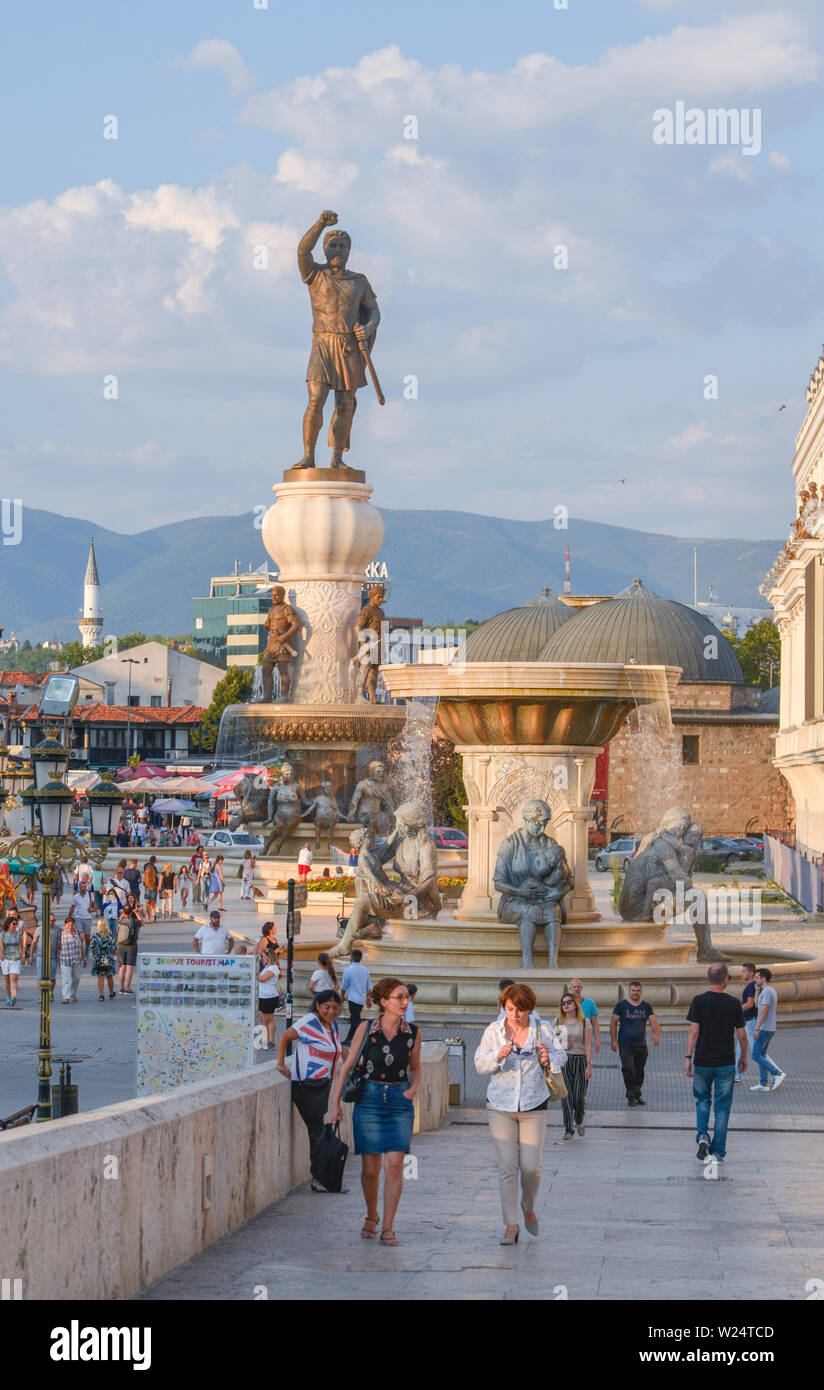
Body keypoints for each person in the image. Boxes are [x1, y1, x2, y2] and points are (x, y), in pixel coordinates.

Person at [474, 982, 567, 1244]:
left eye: (521, 1010)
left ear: (530, 1009)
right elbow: (480, 1064)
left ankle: (528, 1206)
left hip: (533, 1105)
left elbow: (563, 1057)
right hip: (500, 1105)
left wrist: (549, 1059)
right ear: (503, 1007)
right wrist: (498, 1057)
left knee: (530, 1167)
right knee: (506, 1166)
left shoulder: (543, 1029)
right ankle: (510, 1224)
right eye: (510, 1009)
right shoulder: (494, 1031)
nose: (515, 1015)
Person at [330, 978, 421, 1243]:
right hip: (369, 1099)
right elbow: (346, 1067)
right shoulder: (367, 1028)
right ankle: (372, 1215)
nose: (405, 1002)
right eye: (399, 997)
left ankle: (388, 1227)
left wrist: (413, 1088)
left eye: (407, 997)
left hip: (398, 1102)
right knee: (371, 1169)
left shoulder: (413, 1033)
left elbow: (415, 1066)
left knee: (395, 1165)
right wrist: (334, 1105)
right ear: (384, 1002)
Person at [279, 989, 345, 1191]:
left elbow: (336, 1052)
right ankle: (319, 1178)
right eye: (327, 1007)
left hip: (322, 1086)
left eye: (335, 1007)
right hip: (306, 1086)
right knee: (316, 1130)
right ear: (318, 1006)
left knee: (317, 1130)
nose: (331, 1011)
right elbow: (285, 1037)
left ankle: (321, 1177)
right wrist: (281, 1064)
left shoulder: (331, 1026)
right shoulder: (310, 1021)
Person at [686, 963, 748, 1162]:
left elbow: (694, 1032)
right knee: (722, 1107)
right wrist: (744, 1056)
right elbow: (742, 1035)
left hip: (702, 1061)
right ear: (725, 979)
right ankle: (718, 1151)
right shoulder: (733, 1003)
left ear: (708, 978)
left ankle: (703, 1136)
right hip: (725, 1062)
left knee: (702, 1101)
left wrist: (688, 1057)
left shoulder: (698, 1001)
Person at [610, 981, 659, 1106]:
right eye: (633, 990)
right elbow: (613, 1023)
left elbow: (653, 1020)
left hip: (641, 1044)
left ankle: (637, 1093)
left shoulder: (646, 1006)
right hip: (625, 1044)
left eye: (637, 991)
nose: (635, 993)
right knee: (628, 1069)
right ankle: (631, 1095)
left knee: (639, 1071)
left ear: (641, 991)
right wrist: (614, 1041)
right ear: (629, 991)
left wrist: (656, 1034)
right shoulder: (621, 1005)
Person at [557, 992, 593, 1138]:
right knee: (566, 1096)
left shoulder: (584, 1022)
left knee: (578, 1096)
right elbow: (551, 1043)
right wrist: (562, 1044)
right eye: (563, 1003)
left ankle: (579, 1120)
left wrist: (589, 1065)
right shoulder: (558, 1022)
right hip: (564, 1060)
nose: (565, 1005)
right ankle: (568, 1129)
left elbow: (588, 1045)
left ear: (575, 1005)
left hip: (580, 1060)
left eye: (568, 1002)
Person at [750, 967, 786, 1092]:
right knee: (762, 1055)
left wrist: (757, 1028)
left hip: (764, 1028)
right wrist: (756, 991)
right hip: (768, 1028)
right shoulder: (765, 991)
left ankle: (777, 1073)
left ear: (763, 978)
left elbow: (764, 1011)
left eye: (757, 978)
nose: (755, 980)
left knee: (755, 1055)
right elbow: (757, 1005)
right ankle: (763, 1084)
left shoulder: (767, 992)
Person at [341, 948, 372, 1042]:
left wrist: (342, 996)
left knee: (356, 1021)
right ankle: (349, 1039)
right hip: (361, 1000)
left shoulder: (348, 970)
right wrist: (368, 999)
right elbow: (369, 988)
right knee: (353, 1019)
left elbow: (343, 987)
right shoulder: (366, 970)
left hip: (352, 999)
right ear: (361, 958)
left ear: (351, 958)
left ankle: (366, 1038)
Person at [117, 894, 143, 994]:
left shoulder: (119, 920)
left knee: (122, 966)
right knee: (129, 967)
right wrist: (136, 913)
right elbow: (142, 922)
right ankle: (128, 987)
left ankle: (121, 987)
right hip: (132, 945)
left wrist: (123, 914)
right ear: (131, 911)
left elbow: (118, 920)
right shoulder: (134, 921)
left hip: (120, 944)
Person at [567, 976, 600, 1053]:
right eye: (574, 987)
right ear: (570, 988)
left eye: (578, 986)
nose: (576, 989)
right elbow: (561, 1021)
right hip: (570, 1039)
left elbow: (595, 1023)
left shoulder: (590, 1003)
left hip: (585, 1039)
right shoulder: (565, 1003)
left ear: (582, 988)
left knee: (585, 1061)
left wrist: (597, 1040)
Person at [89, 918, 120, 1001]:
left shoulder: (95, 936)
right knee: (109, 977)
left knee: (100, 977)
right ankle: (111, 993)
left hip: (99, 959)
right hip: (109, 959)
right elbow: (115, 949)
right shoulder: (111, 936)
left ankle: (101, 995)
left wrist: (95, 956)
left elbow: (92, 948)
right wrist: (120, 958)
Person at [57, 916, 86, 1004]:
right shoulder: (61, 934)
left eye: (71, 925)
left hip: (76, 960)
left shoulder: (78, 933)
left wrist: (84, 958)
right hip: (65, 960)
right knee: (67, 979)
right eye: (68, 925)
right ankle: (66, 997)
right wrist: (58, 958)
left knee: (76, 978)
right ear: (65, 925)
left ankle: (72, 993)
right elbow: (58, 947)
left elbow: (81, 946)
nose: (70, 927)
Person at [258, 945, 282, 1049]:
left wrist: (253, 971)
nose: (263, 958)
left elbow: (262, 979)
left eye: (264, 956)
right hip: (262, 996)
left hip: (269, 996)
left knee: (269, 1019)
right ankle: (265, 1040)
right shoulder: (267, 967)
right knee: (263, 1019)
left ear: (269, 957)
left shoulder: (273, 968)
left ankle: (271, 1041)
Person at [0, 911, 24, 1007]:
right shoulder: (2, 934)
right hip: (5, 959)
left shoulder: (18, 934)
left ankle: (13, 998)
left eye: (16, 924)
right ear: (9, 924)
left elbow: (22, 946)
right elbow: (1, 947)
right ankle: (9, 997)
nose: (15, 926)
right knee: (7, 980)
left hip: (16, 959)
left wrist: (22, 956)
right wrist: (1, 954)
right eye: (14, 924)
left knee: (14, 978)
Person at [70, 879, 95, 948]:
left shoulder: (90, 895)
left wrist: (92, 909)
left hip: (88, 918)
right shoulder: (75, 897)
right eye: (82, 887)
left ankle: (87, 948)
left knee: (87, 937)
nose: (84, 888)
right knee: (79, 936)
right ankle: (80, 950)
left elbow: (95, 906)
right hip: (78, 918)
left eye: (85, 887)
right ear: (79, 887)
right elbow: (72, 908)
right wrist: (69, 917)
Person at [143, 856, 159, 922]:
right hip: (153, 886)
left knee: (147, 903)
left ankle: (147, 918)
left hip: (147, 886)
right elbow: (156, 878)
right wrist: (158, 886)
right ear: (155, 860)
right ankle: (153, 914)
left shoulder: (145, 866)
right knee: (153, 902)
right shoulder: (154, 868)